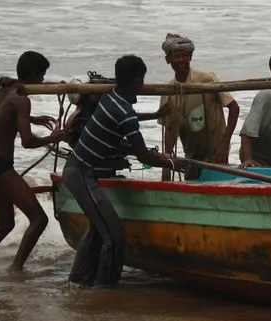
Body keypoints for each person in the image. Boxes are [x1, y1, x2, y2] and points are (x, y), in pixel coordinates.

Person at [62, 54, 186, 288]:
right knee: (114, 236)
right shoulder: (123, 111)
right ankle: (105, 289)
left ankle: (78, 281)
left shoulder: (111, 98)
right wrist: (172, 163)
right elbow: (142, 155)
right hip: (82, 173)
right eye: (142, 81)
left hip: (76, 170)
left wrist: (156, 116)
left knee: (98, 231)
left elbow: (127, 120)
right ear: (136, 81)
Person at [0, 51, 66, 272]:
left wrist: (34, 119)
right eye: (41, 76)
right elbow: (28, 141)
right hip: (0, 165)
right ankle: (15, 268)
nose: (42, 80)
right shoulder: (22, 99)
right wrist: (55, 137)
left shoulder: (4, 89)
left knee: (6, 223)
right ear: (32, 75)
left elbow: (4, 112)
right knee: (39, 219)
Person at [156, 33, 240, 180]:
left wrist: (225, 145)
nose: (182, 60)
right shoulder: (168, 91)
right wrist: (166, 167)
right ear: (168, 59)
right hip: (192, 158)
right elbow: (169, 132)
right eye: (177, 56)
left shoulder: (207, 79)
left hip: (217, 156)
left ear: (190, 57)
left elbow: (234, 108)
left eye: (185, 55)